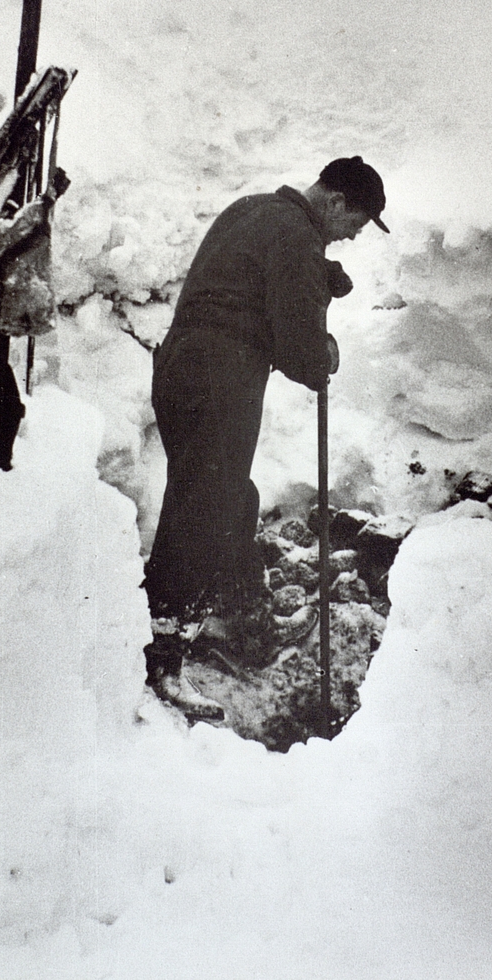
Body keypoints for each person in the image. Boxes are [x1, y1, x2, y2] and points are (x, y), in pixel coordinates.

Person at [143, 156, 389, 719]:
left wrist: (316, 280)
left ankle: (238, 616)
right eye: (355, 223)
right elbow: (301, 351)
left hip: (183, 366)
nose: (352, 236)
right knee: (203, 509)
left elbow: (246, 284)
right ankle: (164, 656)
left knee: (221, 497)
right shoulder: (298, 235)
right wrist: (323, 352)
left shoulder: (252, 210)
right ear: (333, 202)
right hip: (220, 377)